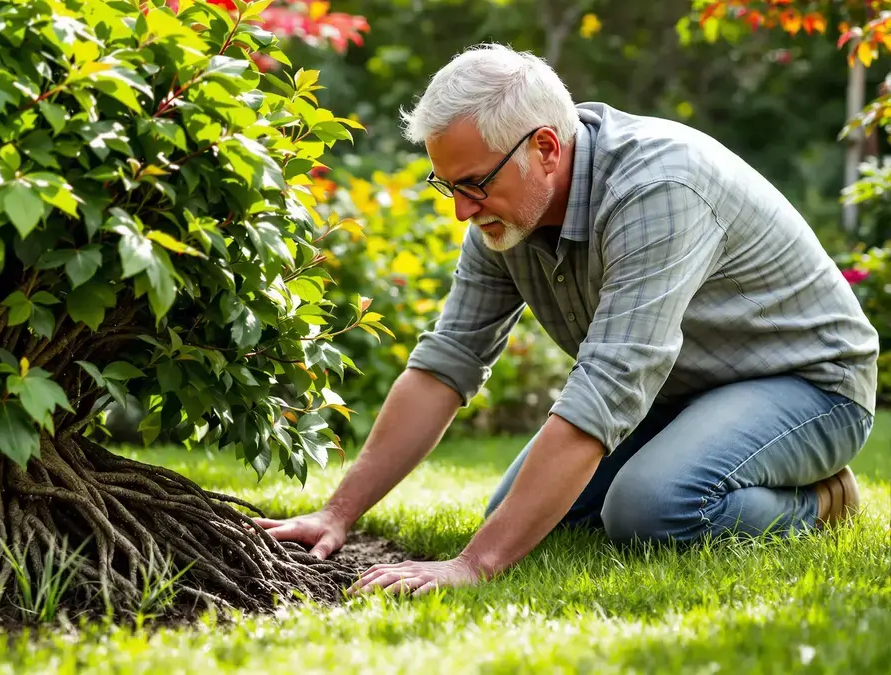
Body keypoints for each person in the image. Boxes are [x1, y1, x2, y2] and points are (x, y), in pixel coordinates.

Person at [253, 43, 880, 597]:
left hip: (808, 386)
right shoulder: (505, 215)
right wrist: (338, 514)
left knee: (648, 511)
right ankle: (697, 459)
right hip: (681, 394)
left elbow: (610, 385)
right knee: (530, 512)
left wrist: (473, 566)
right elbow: (448, 362)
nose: (461, 212)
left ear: (546, 148)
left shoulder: (658, 187)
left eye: (472, 185)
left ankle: (824, 499)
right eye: (449, 188)